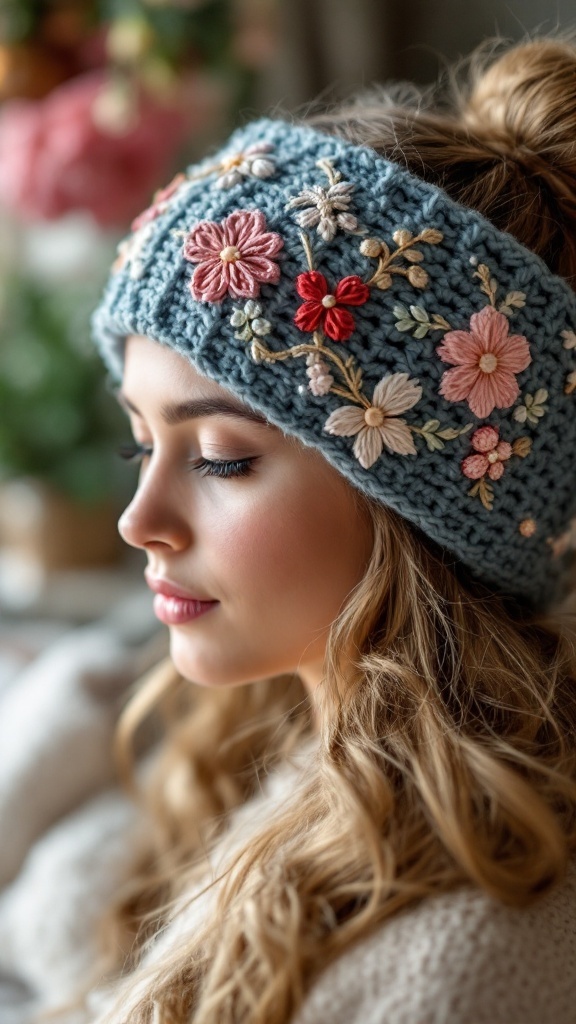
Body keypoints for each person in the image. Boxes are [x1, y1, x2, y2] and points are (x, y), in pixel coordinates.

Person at [5, 34, 576, 1024]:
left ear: (420, 510)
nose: (139, 523)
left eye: (222, 458)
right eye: (142, 446)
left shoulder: (461, 964)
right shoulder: (251, 725)